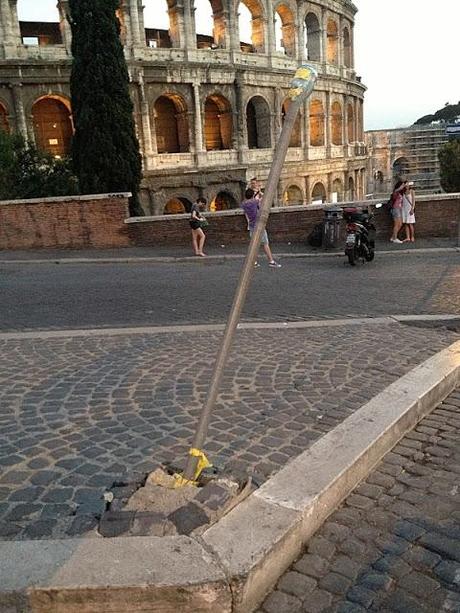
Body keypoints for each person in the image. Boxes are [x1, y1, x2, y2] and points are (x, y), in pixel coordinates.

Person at [241, 188, 281, 268]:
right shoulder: (255, 202)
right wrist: (259, 193)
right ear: (252, 195)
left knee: (254, 245)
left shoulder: (243, 204)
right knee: (265, 243)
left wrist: (255, 195)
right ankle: (271, 261)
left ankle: (254, 262)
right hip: (259, 225)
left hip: (251, 225)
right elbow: (264, 199)